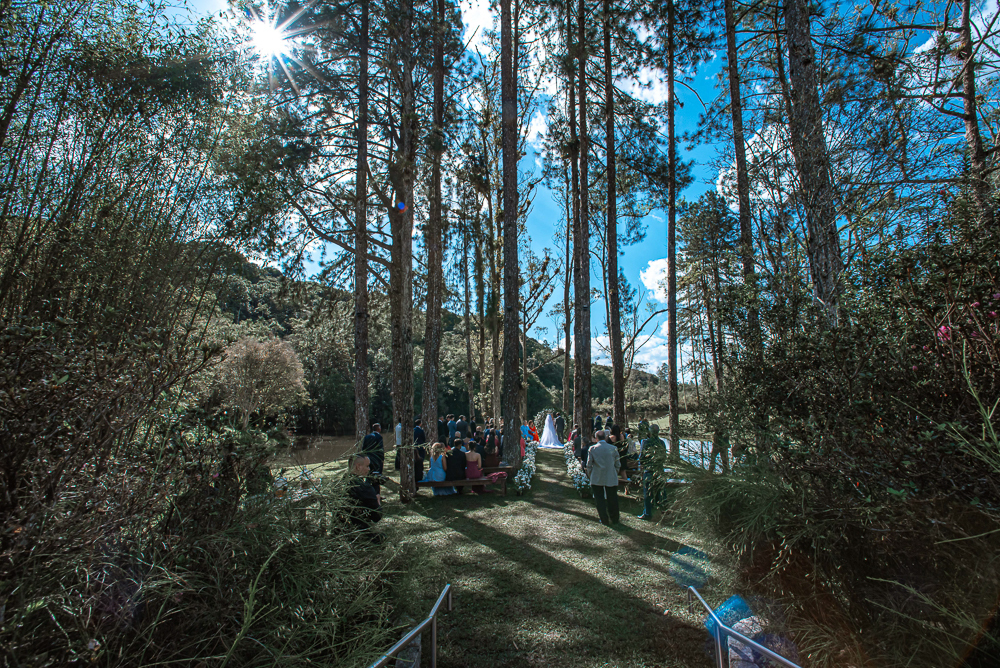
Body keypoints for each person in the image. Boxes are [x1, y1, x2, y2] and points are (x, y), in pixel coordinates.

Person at [586, 430, 621, 525]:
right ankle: (614, 518)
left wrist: (590, 475)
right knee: (612, 498)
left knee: (599, 499)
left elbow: (589, 465)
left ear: (596, 438)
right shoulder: (613, 448)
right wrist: (614, 472)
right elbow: (618, 464)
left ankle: (604, 519)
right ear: (606, 437)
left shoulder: (592, 449)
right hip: (611, 476)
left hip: (597, 476)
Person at [346, 453, 382, 532]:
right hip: (356, 532)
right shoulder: (364, 488)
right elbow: (377, 516)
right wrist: (378, 500)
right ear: (358, 466)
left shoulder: (343, 481)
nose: (369, 469)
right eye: (367, 466)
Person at [638, 423, 667, 520]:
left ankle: (647, 513)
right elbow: (664, 457)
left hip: (649, 470)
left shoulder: (645, 442)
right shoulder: (662, 443)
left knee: (648, 493)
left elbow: (641, 458)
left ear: (649, 432)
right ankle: (663, 512)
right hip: (659, 469)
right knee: (661, 492)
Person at [361, 423, 385, 493]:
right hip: (376, 460)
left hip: (368, 459)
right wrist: (382, 459)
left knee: (369, 475)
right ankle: (376, 493)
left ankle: (368, 491)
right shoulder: (379, 437)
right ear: (379, 429)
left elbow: (363, 449)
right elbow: (380, 450)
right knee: (376, 476)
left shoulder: (367, 437)